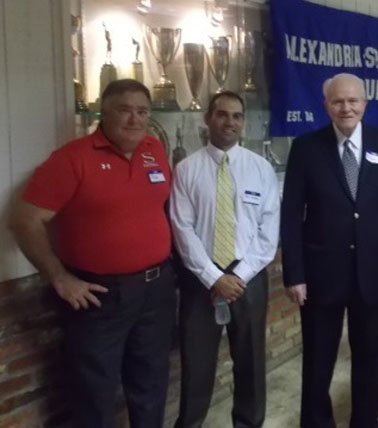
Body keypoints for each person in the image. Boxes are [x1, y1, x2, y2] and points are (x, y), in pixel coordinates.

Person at [9, 79, 176, 427]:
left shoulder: (154, 150)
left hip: (156, 290)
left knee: (151, 381)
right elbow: (25, 220)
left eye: (142, 111)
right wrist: (58, 276)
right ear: (104, 112)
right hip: (100, 296)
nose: (134, 119)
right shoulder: (72, 158)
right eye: (124, 110)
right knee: (94, 392)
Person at [281, 73, 378, 427]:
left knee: (368, 359)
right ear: (326, 106)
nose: (346, 107)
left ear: (365, 104)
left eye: (353, 101)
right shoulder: (306, 147)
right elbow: (291, 216)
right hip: (321, 278)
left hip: (374, 274)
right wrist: (295, 275)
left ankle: (366, 420)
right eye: (338, 101)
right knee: (319, 361)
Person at [170, 90, 280, 428]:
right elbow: (181, 228)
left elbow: (268, 231)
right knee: (197, 364)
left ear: (244, 122)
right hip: (200, 279)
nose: (229, 122)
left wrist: (239, 275)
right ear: (208, 119)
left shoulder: (261, 168)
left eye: (236, 116)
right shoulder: (187, 169)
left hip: (249, 277)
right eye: (221, 114)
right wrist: (213, 277)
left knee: (250, 362)